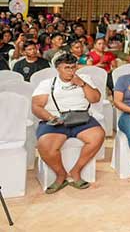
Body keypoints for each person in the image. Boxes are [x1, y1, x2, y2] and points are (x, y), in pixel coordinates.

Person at [31, 54, 105, 193]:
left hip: (81, 118)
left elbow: (95, 99)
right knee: (45, 145)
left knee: (98, 136)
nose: (71, 71)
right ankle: (61, 175)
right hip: (56, 119)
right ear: (58, 69)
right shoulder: (47, 83)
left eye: (73, 67)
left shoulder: (85, 79)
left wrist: (82, 84)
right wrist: (51, 118)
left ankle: (76, 171)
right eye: (66, 68)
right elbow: (36, 106)